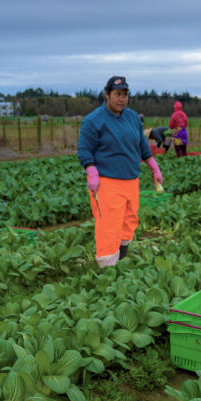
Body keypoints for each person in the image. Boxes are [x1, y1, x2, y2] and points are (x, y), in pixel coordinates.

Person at [78, 76, 164, 268]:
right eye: (117, 94)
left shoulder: (132, 117)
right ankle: (107, 269)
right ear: (107, 95)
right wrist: (91, 171)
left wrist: (153, 167)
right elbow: (84, 150)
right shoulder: (93, 121)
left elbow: (142, 146)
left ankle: (121, 261)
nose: (121, 99)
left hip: (131, 179)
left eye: (125, 95)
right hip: (107, 181)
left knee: (129, 221)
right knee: (109, 225)